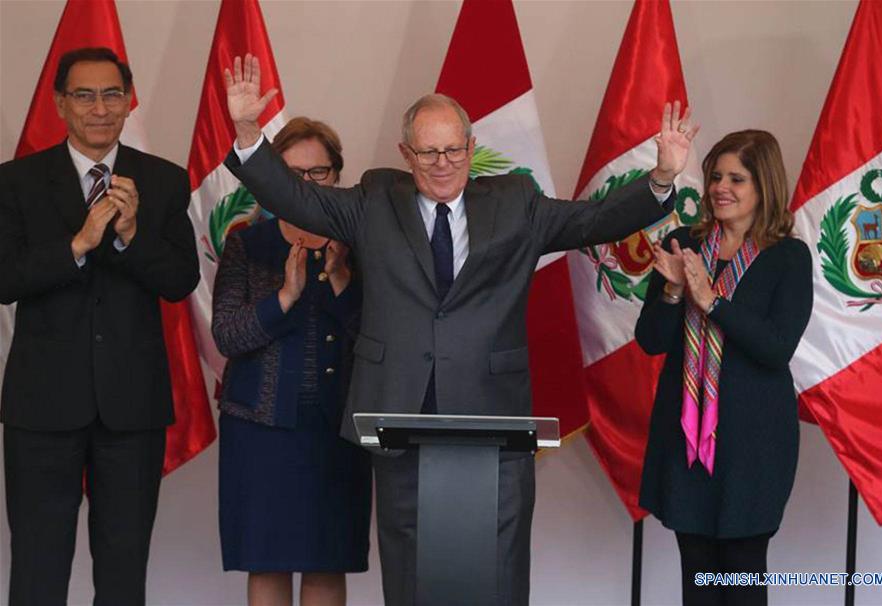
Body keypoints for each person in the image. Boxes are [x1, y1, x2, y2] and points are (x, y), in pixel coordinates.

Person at [222, 54, 697, 606]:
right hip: (399, 408)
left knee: (497, 568)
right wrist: (251, 135)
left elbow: (594, 221)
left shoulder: (516, 202)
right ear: (406, 154)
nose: (442, 163)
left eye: (453, 149)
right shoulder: (375, 198)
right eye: (428, 151)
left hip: (492, 409)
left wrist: (661, 177)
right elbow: (296, 198)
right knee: (408, 566)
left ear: (471, 149)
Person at [0, 47, 199, 605]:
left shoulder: (161, 180)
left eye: (112, 94)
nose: (99, 108)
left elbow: (181, 279)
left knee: (123, 569)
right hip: (42, 407)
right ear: (60, 103)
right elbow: (5, 278)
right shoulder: (16, 181)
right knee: (38, 568)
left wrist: (132, 236)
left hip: (131, 408)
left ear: (129, 100)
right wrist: (79, 245)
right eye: (84, 95)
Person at [635, 130, 813, 606]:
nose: (720, 187)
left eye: (737, 177)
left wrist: (711, 301)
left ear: (764, 186)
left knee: (740, 581)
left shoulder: (787, 257)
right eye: (715, 175)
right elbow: (651, 341)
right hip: (686, 440)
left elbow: (775, 348)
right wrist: (674, 292)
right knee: (697, 581)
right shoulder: (682, 244)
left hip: (753, 446)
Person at [212, 116, 371, 606]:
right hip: (260, 431)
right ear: (272, 177)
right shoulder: (246, 242)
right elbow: (227, 336)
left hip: (336, 430)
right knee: (267, 559)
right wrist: (284, 297)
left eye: (318, 173)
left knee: (327, 559)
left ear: (337, 176)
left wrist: (342, 280)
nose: (306, 184)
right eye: (292, 173)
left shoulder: (362, 244)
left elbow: (377, 339)